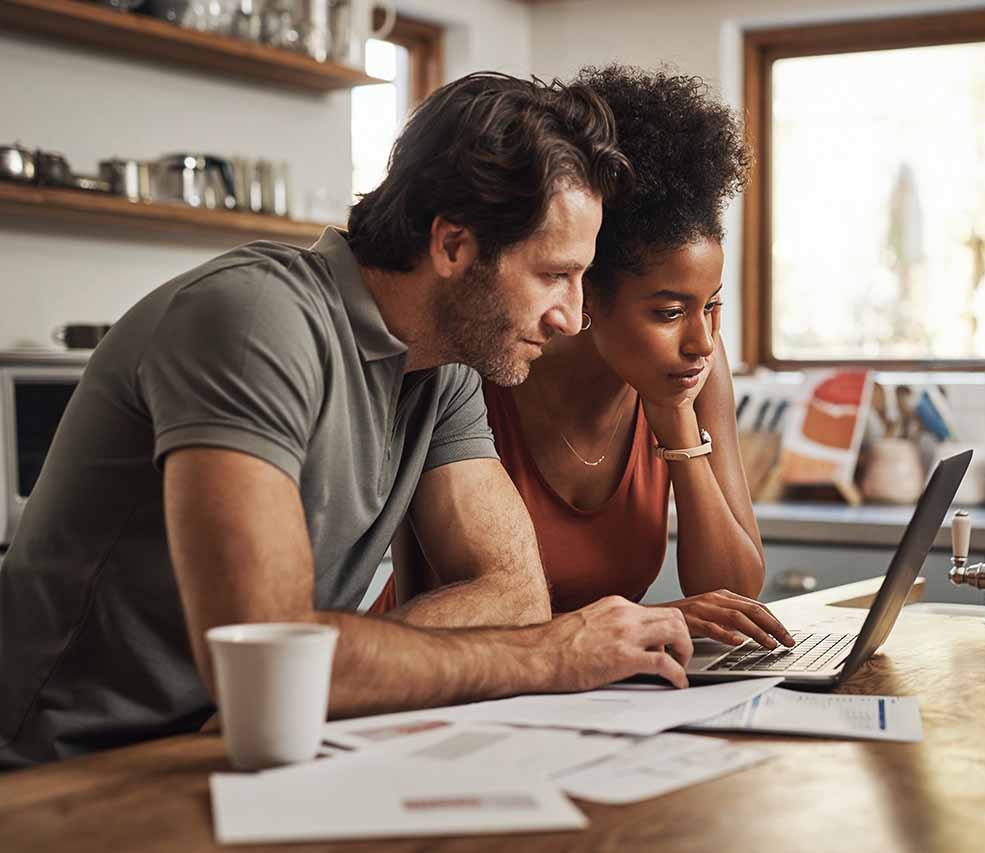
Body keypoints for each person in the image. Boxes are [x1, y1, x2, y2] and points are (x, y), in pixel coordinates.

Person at [0, 72, 694, 771]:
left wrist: (332, 665)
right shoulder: (255, 322)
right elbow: (270, 659)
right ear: (453, 246)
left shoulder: (444, 368)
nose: (571, 317)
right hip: (63, 772)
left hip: (246, 749)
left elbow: (513, 595)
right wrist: (547, 655)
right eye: (553, 275)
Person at [384, 66, 793, 652]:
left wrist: (676, 420)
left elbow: (734, 591)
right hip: (442, 670)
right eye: (668, 312)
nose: (702, 341)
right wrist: (648, 620)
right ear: (587, 291)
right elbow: (446, 598)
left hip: (591, 683)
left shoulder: (693, 369)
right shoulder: (486, 362)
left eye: (712, 306)